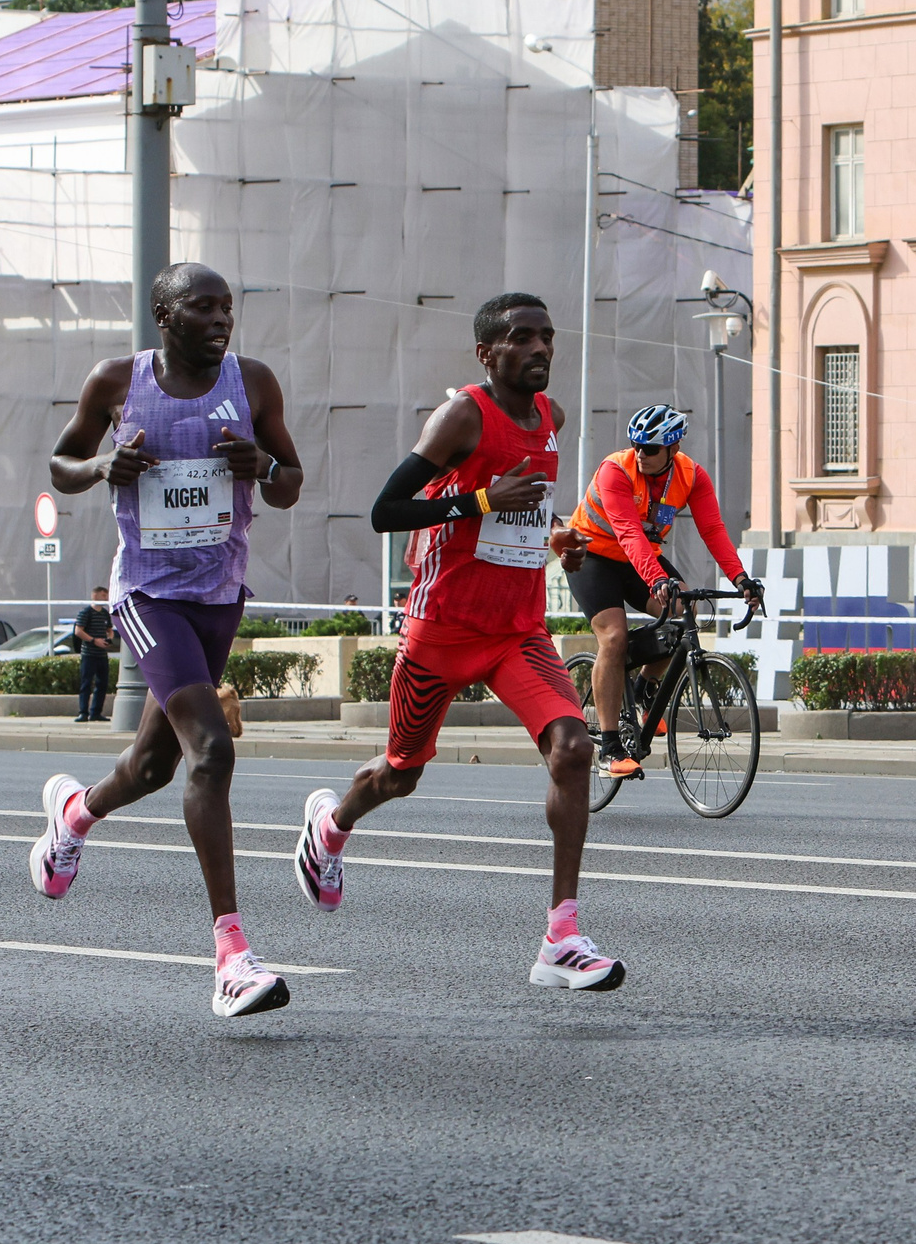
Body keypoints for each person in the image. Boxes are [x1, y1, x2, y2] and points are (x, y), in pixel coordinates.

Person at [291, 293, 627, 992]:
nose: (540, 349)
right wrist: (477, 501)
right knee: (401, 773)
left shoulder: (553, 419)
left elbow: (527, 504)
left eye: (547, 336)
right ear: (487, 354)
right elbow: (387, 510)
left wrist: (556, 533)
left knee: (574, 747)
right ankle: (332, 824)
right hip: (441, 629)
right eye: (522, 338)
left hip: (516, 631)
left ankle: (560, 936)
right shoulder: (463, 415)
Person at [29, 261, 306, 1018]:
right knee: (211, 750)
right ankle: (231, 956)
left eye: (227, 307)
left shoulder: (254, 382)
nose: (221, 320)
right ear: (164, 314)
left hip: (220, 596)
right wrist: (101, 465)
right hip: (149, 595)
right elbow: (61, 463)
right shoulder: (118, 379)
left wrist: (265, 465)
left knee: (153, 766)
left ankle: (75, 814)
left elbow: (291, 480)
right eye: (203, 307)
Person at [565, 403, 765, 781]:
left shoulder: (692, 476)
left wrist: (741, 579)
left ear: (673, 449)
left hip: (639, 560)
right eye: (636, 445)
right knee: (614, 636)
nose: (640, 454)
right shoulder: (616, 470)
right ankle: (609, 748)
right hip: (592, 557)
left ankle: (644, 687)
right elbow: (627, 531)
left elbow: (714, 530)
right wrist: (657, 578)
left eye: (650, 448)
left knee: (686, 612)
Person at [73, 585, 115, 723]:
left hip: (101, 654)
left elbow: (109, 629)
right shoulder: (86, 612)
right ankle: (83, 712)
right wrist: (93, 640)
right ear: (95, 596)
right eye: (103, 595)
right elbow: (78, 631)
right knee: (86, 683)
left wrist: (109, 637)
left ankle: (96, 712)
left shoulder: (104, 613)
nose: (106, 598)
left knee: (102, 683)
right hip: (89, 654)